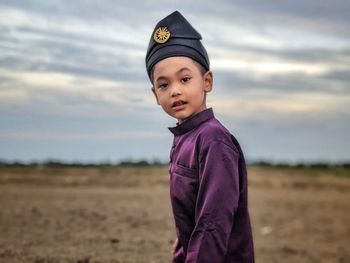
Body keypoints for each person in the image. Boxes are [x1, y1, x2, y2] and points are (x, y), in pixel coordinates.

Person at [145, 10, 254, 263]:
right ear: (154, 94)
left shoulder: (213, 139)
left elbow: (213, 221)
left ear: (207, 81)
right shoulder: (186, 137)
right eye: (164, 85)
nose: (175, 91)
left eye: (185, 79)